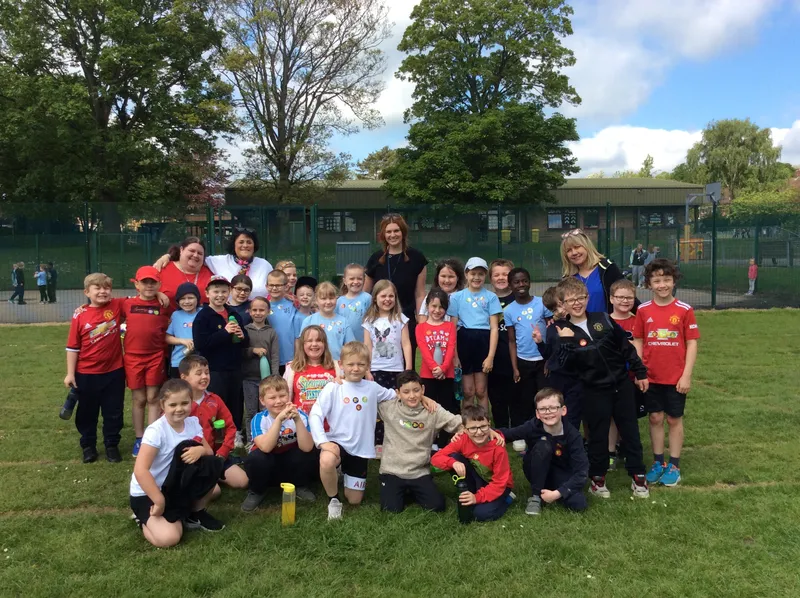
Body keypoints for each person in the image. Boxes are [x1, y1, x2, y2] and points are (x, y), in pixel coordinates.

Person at [310, 341, 434, 520]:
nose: (355, 368)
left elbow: (400, 395)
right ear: (341, 364)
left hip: (360, 450)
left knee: (354, 500)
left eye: (360, 364)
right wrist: (323, 442)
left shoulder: (373, 388)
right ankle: (334, 500)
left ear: (368, 366)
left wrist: (423, 398)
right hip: (337, 443)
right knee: (327, 459)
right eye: (350, 364)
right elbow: (316, 414)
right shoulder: (333, 387)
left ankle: (343, 474)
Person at [554, 277, 650, 499]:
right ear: (563, 304)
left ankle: (638, 476)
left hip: (622, 385)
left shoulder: (603, 319)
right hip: (593, 390)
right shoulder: (561, 330)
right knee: (597, 435)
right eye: (571, 300)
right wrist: (567, 343)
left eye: (580, 298)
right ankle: (598, 480)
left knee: (630, 431)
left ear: (587, 298)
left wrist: (640, 371)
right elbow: (562, 365)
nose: (576, 303)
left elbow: (625, 348)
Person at [129, 379, 224, 547]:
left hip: (173, 484)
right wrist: (158, 500)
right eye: (173, 405)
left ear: (191, 402)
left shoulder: (192, 423)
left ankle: (195, 514)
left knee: (213, 481)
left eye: (184, 403)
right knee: (170, 538)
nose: (179, 409)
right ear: (162, 405)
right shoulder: (156, 431)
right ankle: (142, 519)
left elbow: (209, 452)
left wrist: (200, 450)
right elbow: (140, 470)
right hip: (149, 491)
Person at [633, 259, 700, 488]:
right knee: (655, 418)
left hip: (675, 378)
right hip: (651, 377)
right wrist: (639, 371)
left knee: (673, 419)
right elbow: (638, 340)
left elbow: (691, 343)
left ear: (674, 281)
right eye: (657, 280)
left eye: (667, 280)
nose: (662, 285)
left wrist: (686, 375)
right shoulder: (642, 310)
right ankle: (658, 462)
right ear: (649, 284)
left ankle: (674, 465)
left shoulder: (684, 310)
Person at [378, 371, 463, 513]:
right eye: (406, 392)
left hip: (419, 471)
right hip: (392, 471)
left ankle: (412, 491)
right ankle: (401, 491)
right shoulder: (388, 407)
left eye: (416, 390)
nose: (412, 396)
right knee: (390, 509)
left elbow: (459, 423)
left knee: (437, 506)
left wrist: (468, 431)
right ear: (398, 393)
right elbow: (365, 396)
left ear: (423, 390)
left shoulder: (433, 410)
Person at [64, 273, 126, 463]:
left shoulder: (117, 305)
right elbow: (73, 347)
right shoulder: (80, 315)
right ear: (87, 292)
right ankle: (88, 445)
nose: (102, 291)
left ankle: (111, 444)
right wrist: (70, 373)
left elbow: (141, 298)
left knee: (113, 411)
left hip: (114, 372)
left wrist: (160, 296)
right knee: (86, 412)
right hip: (86, 374)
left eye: (106, 288)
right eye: (97, 288)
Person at [497, 388, 588, 515]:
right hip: (535, 467)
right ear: (537, 413)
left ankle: (551, 492)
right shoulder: (532, 427)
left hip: (560, 472)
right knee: (543, 446)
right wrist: (490, 432)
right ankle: (535, 497)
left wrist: (557, 493)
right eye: (543, 409)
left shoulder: (573, 435)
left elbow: (581, 472)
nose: (548, 412)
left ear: (563, 410)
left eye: (553, 408)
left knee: (579, 503)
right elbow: (507, 434)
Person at [242, 375, 317, 512]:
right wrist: (278, 420)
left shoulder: (301, 415)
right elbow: (265, 447)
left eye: (282, 396)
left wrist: (298, 421)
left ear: (288, 395)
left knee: (310, 451)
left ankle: (300, 485)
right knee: (256, 458)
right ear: (262, 401)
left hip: (291, 463)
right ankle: (257, 491)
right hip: (268, 463)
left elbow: (307, 448)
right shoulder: (259, 419)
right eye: (272, 398)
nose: (278, 401)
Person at [431, 404, 514, 522]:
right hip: (479, 477)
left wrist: (476, 497)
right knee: (454, 456)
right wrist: (453, 463)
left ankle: (507, 499)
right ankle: (468, 489)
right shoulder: (462, 438)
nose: (479, 432)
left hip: (500, 485)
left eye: (483, 427)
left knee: (480, 514)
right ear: (464, 429)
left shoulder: (498, 448)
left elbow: (500, 483)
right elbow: (436, 458)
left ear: (489, 425)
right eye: (473, 428)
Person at [192, 275, 249, 448]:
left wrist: (242, 336)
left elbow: (244, 341)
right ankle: (217, 434)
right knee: (217, 401)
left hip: (235, 366)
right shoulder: (203, 317)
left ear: (229, 292)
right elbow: (202, 344)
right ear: (207, 293)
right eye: (216, 291)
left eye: (224, 291)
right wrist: (224, 333)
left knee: (236, 400)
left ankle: (237, 431)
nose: (220, 295)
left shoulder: (233, 313)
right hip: (215, 369)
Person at [364, 214, 428, 362]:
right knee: (381, 362)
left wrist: (421, 320)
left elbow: (419, 293)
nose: (393, 235)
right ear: (383, 235)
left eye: (396, 231)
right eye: (389, 232)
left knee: (405, 362)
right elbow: (365, 294)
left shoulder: (417, 258)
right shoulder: (375, 259)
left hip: (406, 319)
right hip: (379, 323)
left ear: (403, 232)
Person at [180, 355, 249, 490]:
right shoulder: (179, 405)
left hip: (217, 456)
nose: (204, 376)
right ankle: (204, 476)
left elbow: (230, 426)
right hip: (192, 457)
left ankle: (215, 473)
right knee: (213, 491)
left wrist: (223, 450)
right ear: (184, 377)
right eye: (198, 373)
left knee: (243, 481)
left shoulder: (215, 400)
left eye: (207, 372)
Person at [125, 266, 171, 458]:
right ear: (136, 284)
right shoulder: (125, 304)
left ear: (159, 284)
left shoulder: (164, 304)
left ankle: (150, 439)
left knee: (153, 397)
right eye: (145, 282)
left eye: (153, 282)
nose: (149, 286)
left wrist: (161, 294)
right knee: (139, 399)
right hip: (133, 357)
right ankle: (138, 437)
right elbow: (104, 306)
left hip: (155, 356)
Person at [504, 267, 552, 452]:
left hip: (543, 361)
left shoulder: (542, 304)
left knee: (544, 399)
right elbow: (511, 340)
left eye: (524, 280)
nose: (521, 285)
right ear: (511, 286)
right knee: (524, 400)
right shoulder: (509, 310)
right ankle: (524, 435)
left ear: (529, 282)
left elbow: (551, 332)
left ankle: (546, 432)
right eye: (516, 282)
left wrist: (548, 359)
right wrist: (515, 367)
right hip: (523, 362)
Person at [446, 257, 502, 411]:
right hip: (464, 345)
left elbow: (494, 328)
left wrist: (490, 357)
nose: (476, 277)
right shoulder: (457, 297)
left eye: (481, 274)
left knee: (481, 391)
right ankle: (468, 426)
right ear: (466, 274)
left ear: (485, 276)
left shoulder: (491, 297)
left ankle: (484, 425)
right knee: (468, 391)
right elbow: (452, 328)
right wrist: (455, 356)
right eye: (473, 273)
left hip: (483, 345)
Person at [156, 229, 273, 299]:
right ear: (234, 245)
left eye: (249, 242)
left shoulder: (264, 265)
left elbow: (277, 284)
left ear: (254, 245)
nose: (245, 245)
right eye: (241, 242)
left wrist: (286, 294)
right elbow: (193, 258)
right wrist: (168, 256)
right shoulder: (218, 261)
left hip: (257, 318)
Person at [607, 278, 644, 470]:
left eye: (629, 297)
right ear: (611, 299)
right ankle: (610, 452)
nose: (624, 301)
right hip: (611, 377)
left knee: (629, 417)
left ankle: (627, 449)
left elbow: (642, 348)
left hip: (632, 377)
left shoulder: (638, 320)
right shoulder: (603, 321)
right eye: (620, 297)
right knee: (612, 416)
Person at [535, 287, 583, 432]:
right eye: (555, 308)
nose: (560, 310)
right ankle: (557, 441)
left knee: (573, 414)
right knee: (556, 411)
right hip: (557, 377)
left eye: (562, 304)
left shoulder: (577, 324)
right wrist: (539, 343)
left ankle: (573, 443)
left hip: (576, 376)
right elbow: (548, 354)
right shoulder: (552, 328)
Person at [416, 289, 458, 447]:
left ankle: (443, 441)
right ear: (427, 306)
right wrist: (435, 368)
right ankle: (430, 439)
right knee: (429, 408)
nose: (437, 310)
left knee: (446, 407)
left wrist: (444, 368)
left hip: (447, 375)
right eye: (433, 306)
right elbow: (424, 352)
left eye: (441, 307)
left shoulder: (449, 326)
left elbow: (451, 348)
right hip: (428, 375)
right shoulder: (420, 327)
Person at [560, 228, 631, 314]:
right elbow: (560, 307)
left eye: (577, 247)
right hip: (577, 326)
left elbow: (628, 296)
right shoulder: (567, 279)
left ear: (587, 246)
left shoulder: (607, 268)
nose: (574, 252)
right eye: (569, 250)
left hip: (606, 325)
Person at [362, 280, 412, 390]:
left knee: (396, 401)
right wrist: (367, 370)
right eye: (383, 296)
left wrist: (408, 368)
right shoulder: (369, 320)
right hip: (375, 369)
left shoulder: (400, 319)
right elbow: (367, 346)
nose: (387, 299)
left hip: (396, 369)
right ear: (375, 298)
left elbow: (406, 344)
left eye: (391, 296)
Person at [242, 296, 279, 441]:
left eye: (262, 310)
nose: (258, 313)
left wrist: (274, 378)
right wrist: (253, 350)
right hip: (249, 378)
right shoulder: (245, 330)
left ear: (268, 312)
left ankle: (268, 437)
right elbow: (240, 352)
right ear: (249, 312)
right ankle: (252, 440)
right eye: (255, 310)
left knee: (267, 409)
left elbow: (275, 356)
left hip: (266, 379)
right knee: (250, 411)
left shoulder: (271, 332)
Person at [487, 259, 516, 436]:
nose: (501, 277)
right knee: (496, 396)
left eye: (505, 274)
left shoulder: (518, 298)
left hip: (513, 356)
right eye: (496, 274)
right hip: (493, 356)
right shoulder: (487, 299)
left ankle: (517, 427)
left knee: (516, 395)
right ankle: (501, 428)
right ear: (491, 278)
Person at [284, 325, 337, 414]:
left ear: (325, 344)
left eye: (319, 340)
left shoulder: (337, 367)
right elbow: (285, 399)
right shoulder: (292, 368)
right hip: (301, 424)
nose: (314, 344)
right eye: (309, 341)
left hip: (330, 426)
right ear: (303, 344)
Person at [300, 282, 355, 361]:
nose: (328, 302)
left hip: (337, 366)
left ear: (336, 298)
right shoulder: (308, 321)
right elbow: (302, 346)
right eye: (323, 298)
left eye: (331, 298)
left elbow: (351, 347)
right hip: (314, 366)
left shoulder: (343, 322)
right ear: (316, 300)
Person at [153, 236, 213, 305]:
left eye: (200, 253)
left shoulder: (211, 272)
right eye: (192, 251)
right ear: (181, 250)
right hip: (166, 315)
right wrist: (156, 293)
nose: (195, 255)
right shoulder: (162, 268)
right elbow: (143, 288)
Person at [165, 282, 201, 378]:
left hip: (200, 361)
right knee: (179, 390)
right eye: (183, 299)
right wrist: (182, 341)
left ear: (197, 298)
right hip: (179, 361)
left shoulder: (204, 313)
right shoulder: (176, 315)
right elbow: (167, 337)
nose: (187, 302)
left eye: (190, 298)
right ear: (177, 301)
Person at [265, 269, 297, 374]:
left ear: (286, 287)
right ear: (266, 286)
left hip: (290, 359)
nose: (274, 288)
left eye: (278, 285)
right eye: (271, 285)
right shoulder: (262, 307)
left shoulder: (294, 305)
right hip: (270, 359)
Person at [417, 258, 466, 322]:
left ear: (458, 278)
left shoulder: (464, 297)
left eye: (451, 277)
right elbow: (422, 318)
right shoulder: (431, 295)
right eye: (443, 276)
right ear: (437, 277)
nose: (447, 280)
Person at [337, 263, 372, 343]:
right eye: (352, 279)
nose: (355, 282)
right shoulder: (339, 301)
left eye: (359, 279)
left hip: (363, 344)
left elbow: (372, 320)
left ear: (364, 280)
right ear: (345, 281)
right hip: (344, 345)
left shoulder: (367, 298)